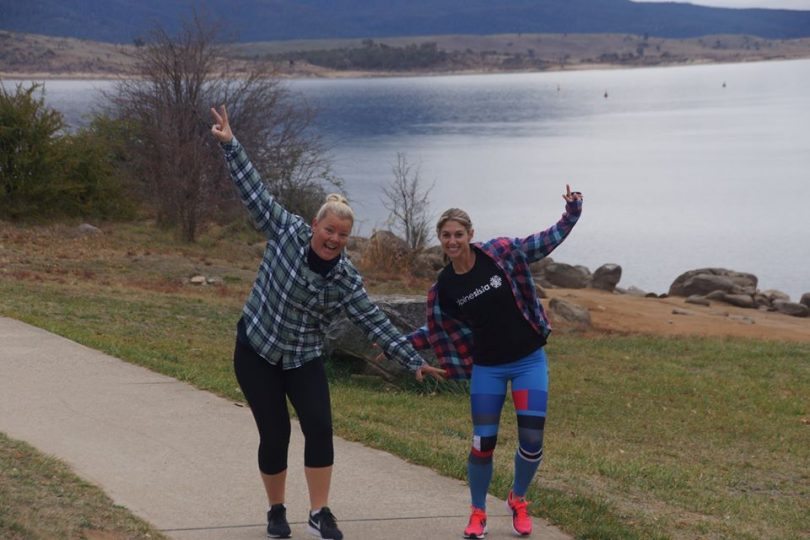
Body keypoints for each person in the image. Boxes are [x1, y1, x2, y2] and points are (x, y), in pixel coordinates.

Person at [209, 105, 444, 540]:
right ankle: (276, 510)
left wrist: (412, 360)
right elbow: (254, 192)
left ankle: (320, 512)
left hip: (302, 357)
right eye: (329, 229)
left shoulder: (345, 278)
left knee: (319, 426)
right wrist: (231, 145)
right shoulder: (286, 232)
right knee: (275, 433)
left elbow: (373, 320)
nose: (334, 238)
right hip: (257, 350)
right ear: (316, 224)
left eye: (343, 235)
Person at [406, 187, 583, 538]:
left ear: (471, 235)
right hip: (487, 368)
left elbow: (543, 242)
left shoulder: (501, 253)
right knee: (482, 443)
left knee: (532, 441)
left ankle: (518, 498)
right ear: (440, 239)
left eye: (459, 234)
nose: (453, 241)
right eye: (446, 235)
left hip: (528, 361)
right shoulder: (444, 288)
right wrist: (400, 343)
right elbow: (438, 329)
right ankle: (477, 511)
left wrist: (571, 214)